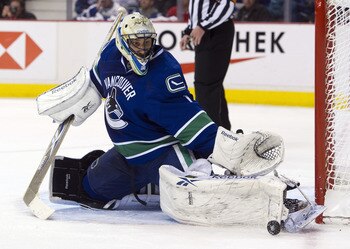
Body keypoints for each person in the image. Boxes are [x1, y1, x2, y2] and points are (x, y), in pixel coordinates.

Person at [36, 13, 322, 232]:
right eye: (137, 43)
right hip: (131, 151)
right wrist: (75, 102)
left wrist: (225, 147)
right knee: (89, 189)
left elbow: (188, 119)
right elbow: (95, 84)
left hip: (163, 149)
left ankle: (265, 196)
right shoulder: (110, 54)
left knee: (200, 188)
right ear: (124, 43)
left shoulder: (163, 74)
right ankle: (153, 185)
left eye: (148, 42)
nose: (143, 49)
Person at [180, 0, 234, 131]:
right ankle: (223, 132)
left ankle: (210, 135)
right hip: (207, 32)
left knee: (206, 86)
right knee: (212, 85)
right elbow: (198, 8)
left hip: (215, 32)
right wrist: (189, 30)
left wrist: (203, 26)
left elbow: (227, 4)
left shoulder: (206, 26)